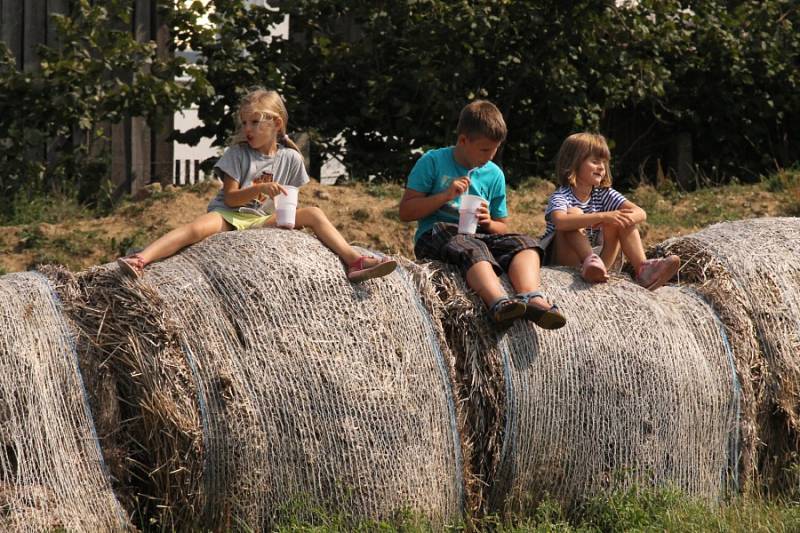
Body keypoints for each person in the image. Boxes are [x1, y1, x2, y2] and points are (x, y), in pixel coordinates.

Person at [117, 88, 396, 283]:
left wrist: (287, 216)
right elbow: (231, 199)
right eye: (244, 123)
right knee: (195, 229)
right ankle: (142, 259)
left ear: (276, 124)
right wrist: (260, 189)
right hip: (229, 216)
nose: (247, 129)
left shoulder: (291, 158)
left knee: (314, 213)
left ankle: (354, 261)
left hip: (262, 218)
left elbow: (291, 198)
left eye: (254, 122)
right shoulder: (237, 155)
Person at [399, 100, 565, 329]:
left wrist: (488, 222)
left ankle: (531, 298)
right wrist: (445, 196)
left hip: (477, 236)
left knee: (526, 243)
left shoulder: (494, 174)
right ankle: (498, 302)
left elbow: (502, 227)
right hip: (435, 234)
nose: (489, 156)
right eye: (485, 149)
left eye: (494, 149)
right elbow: (406, 211)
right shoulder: (433, 162)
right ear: (463, 140)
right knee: (472, 247)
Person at [541, 132, 679, 290]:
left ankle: (643, 269)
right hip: (564, 261)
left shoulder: (604, 194)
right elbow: (560, 221)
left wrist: (617, 219)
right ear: (574, 163)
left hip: (602, 262)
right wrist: (602, 216)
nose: (601, 167)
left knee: (621, 218)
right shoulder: (561, 195)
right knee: (574, 214)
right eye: (594, 161)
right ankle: (589, 260)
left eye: (604, 163)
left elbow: (641, 213)